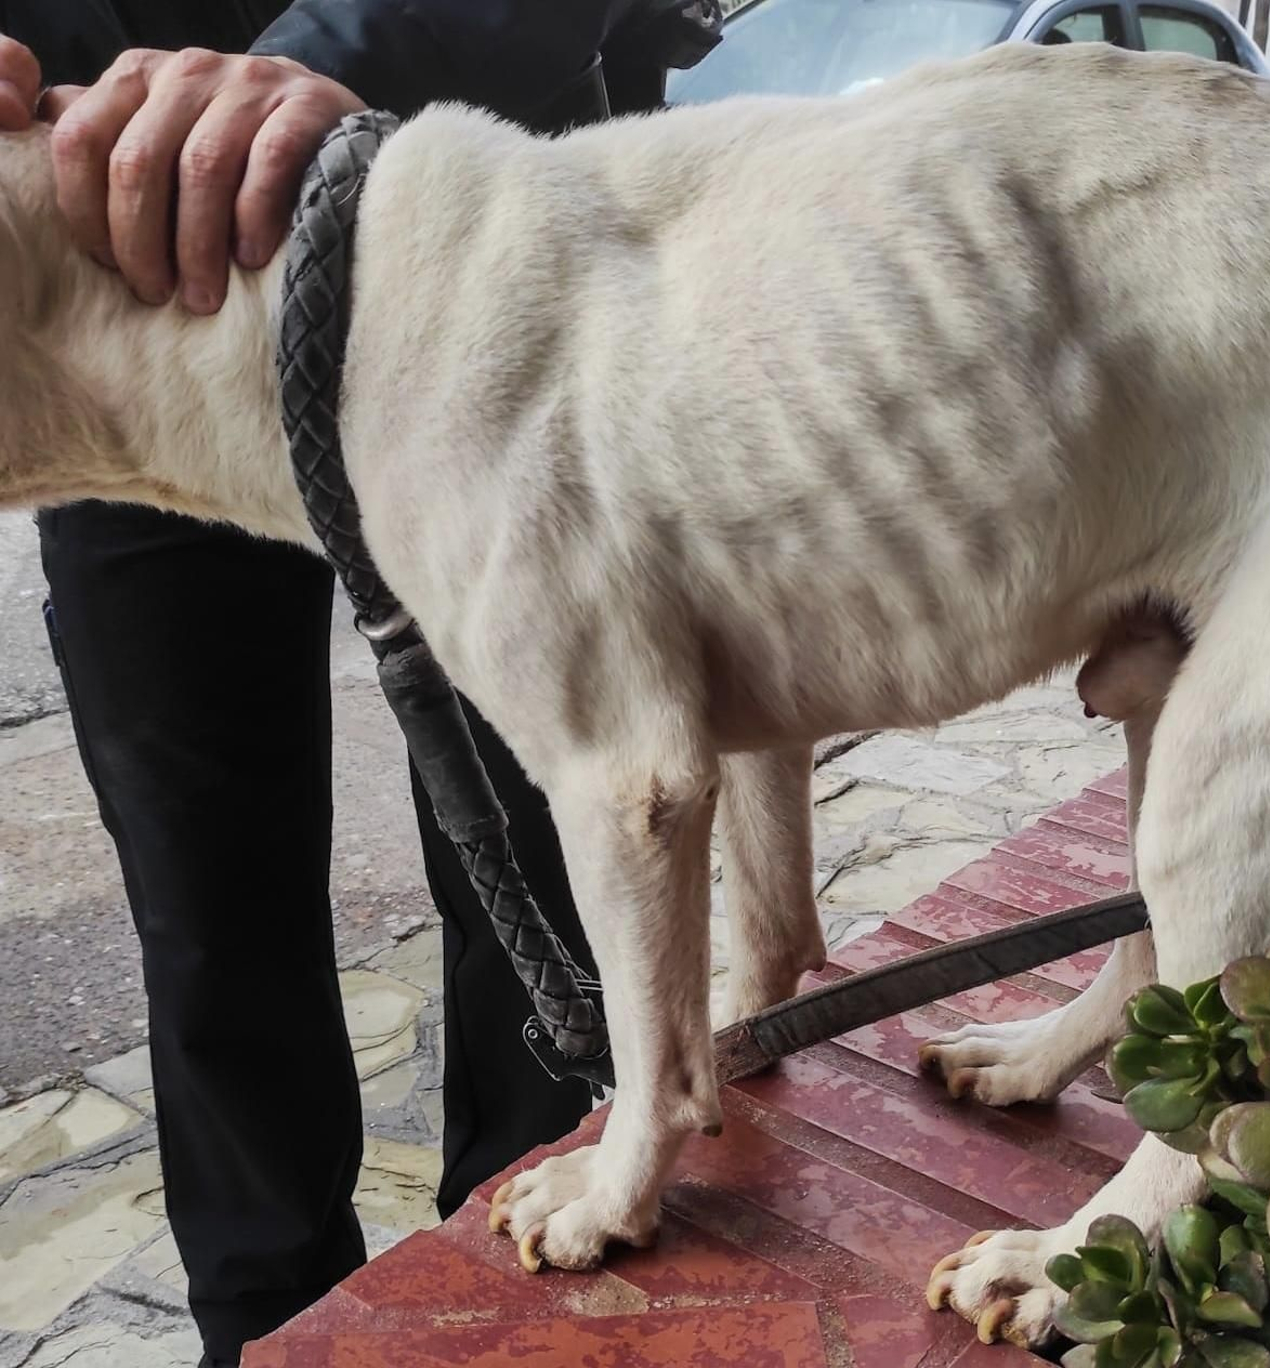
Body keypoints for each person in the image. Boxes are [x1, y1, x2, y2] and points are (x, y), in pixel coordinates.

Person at [0, 4, 716, 1364]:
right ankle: (270, 1336)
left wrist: (340, 52)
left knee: (559, 845)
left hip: (473, 255)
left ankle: (555, 1300)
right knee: (205, 903)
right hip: (90, 284)